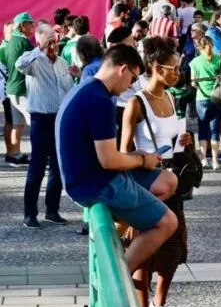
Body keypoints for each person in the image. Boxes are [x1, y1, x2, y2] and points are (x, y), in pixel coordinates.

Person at [56, 44, 178, 273]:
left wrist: (133, 157)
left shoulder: (84, 89)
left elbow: (105, 156)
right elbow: (109, 161)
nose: (129, 87)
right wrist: (142, 160)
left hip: (85, 178)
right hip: (95, 184)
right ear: (123, 69)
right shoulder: (100, 100)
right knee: (168, 223)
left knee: (167, 182)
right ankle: (116, 277)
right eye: (132, 79)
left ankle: (120, 231)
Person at [119, 37, 194, 307]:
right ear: (155, 67)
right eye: (172, 67)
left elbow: (173, 141)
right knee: (147, 254)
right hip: (147, 185)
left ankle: (158, 304)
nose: (178, 72)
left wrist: (184, 140)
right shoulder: (136, 103)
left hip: (173, 179)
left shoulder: (172, 98)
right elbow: (124, 152)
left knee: (175, 250)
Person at [17, 24, 77, 229]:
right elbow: (19, 64)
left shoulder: (61, 62)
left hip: (59, 118)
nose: (54, 43)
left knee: (58, 167)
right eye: (50, 40)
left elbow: (68, 87)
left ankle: (52, 210)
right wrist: (39, 49)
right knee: (37, 167)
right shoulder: (34, 60)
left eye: (55, 39)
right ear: (41, 41)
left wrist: (75, 76)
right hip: (41, 119)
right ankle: (29, 214)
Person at [190, 36, 221, 170]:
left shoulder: (195, 62)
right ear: (212, 45)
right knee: (214, 130)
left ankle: (204, 160)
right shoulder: (220, 59)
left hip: (201, 99)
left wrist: (203, 88)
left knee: (202, 128)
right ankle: (215, 161)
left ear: (200, 47)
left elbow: (193, 82)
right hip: (217, 98)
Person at [5, 13, 35, 142]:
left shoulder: (10, 41)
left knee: (18, 125)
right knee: (35, 123)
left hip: (11, 88)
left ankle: (14, 155)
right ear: (22, 25)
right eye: (30, 23)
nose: (33, 26)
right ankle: (38, 154)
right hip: (21, 89)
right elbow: (36, 64)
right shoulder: (24, 42)